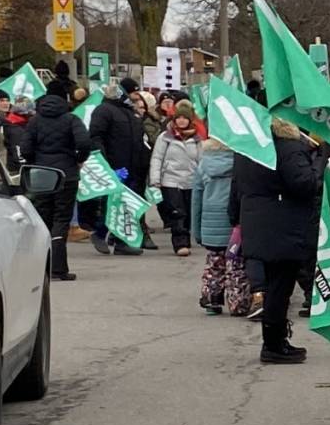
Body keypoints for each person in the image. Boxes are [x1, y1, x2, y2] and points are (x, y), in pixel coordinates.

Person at [232, 116, 325, 365]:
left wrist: (236, 217)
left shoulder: (249, 149)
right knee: (280, 288)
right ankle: (274, 344)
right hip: (285, 225)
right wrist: (319, 163)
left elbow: (236, 186)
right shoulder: (289, 147)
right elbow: (304, 185)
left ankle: (275, 340)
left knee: (275, 284)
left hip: (258, 222)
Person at [20, 84, 89, 282]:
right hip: (66, 174)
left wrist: (36, 162)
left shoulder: (34, 121)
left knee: (42, 218)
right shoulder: (71, 120)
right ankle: (59, 268)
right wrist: (78, 159)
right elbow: (84, 143)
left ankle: (41, 267)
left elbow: (25, 148)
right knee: (61, 219)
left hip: (41, 174)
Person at [88, 79, 151, 256]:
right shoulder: (104, 110)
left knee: (126, 205)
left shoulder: (129, 113)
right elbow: (96, 137)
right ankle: (99, 233)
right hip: (114, 166)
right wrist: (105, 163)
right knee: (111, 203)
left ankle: (121, 241)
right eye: (133, 93)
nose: (136, 97)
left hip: (133, 167)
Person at [188, 127, 239, 312]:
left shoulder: (203, 165)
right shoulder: (238, 163)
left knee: (214, 263)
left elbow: (196, 200)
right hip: (233, 222)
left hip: (210, 223)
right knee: (235, 264)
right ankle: (237, 302)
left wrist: (196, 230)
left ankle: (211, 299)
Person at [150, 105, 204, 257]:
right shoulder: (165, 137)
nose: (181, 121)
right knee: (177, 212)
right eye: (178, 118)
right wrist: (155, 179)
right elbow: (157, 158)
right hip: (171, 181)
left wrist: (203, 180)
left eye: (184, 118)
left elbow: (202, 161)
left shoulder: (196, 139)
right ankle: (180, 243)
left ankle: (186, 236)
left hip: (191, 180)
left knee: (188, 213)